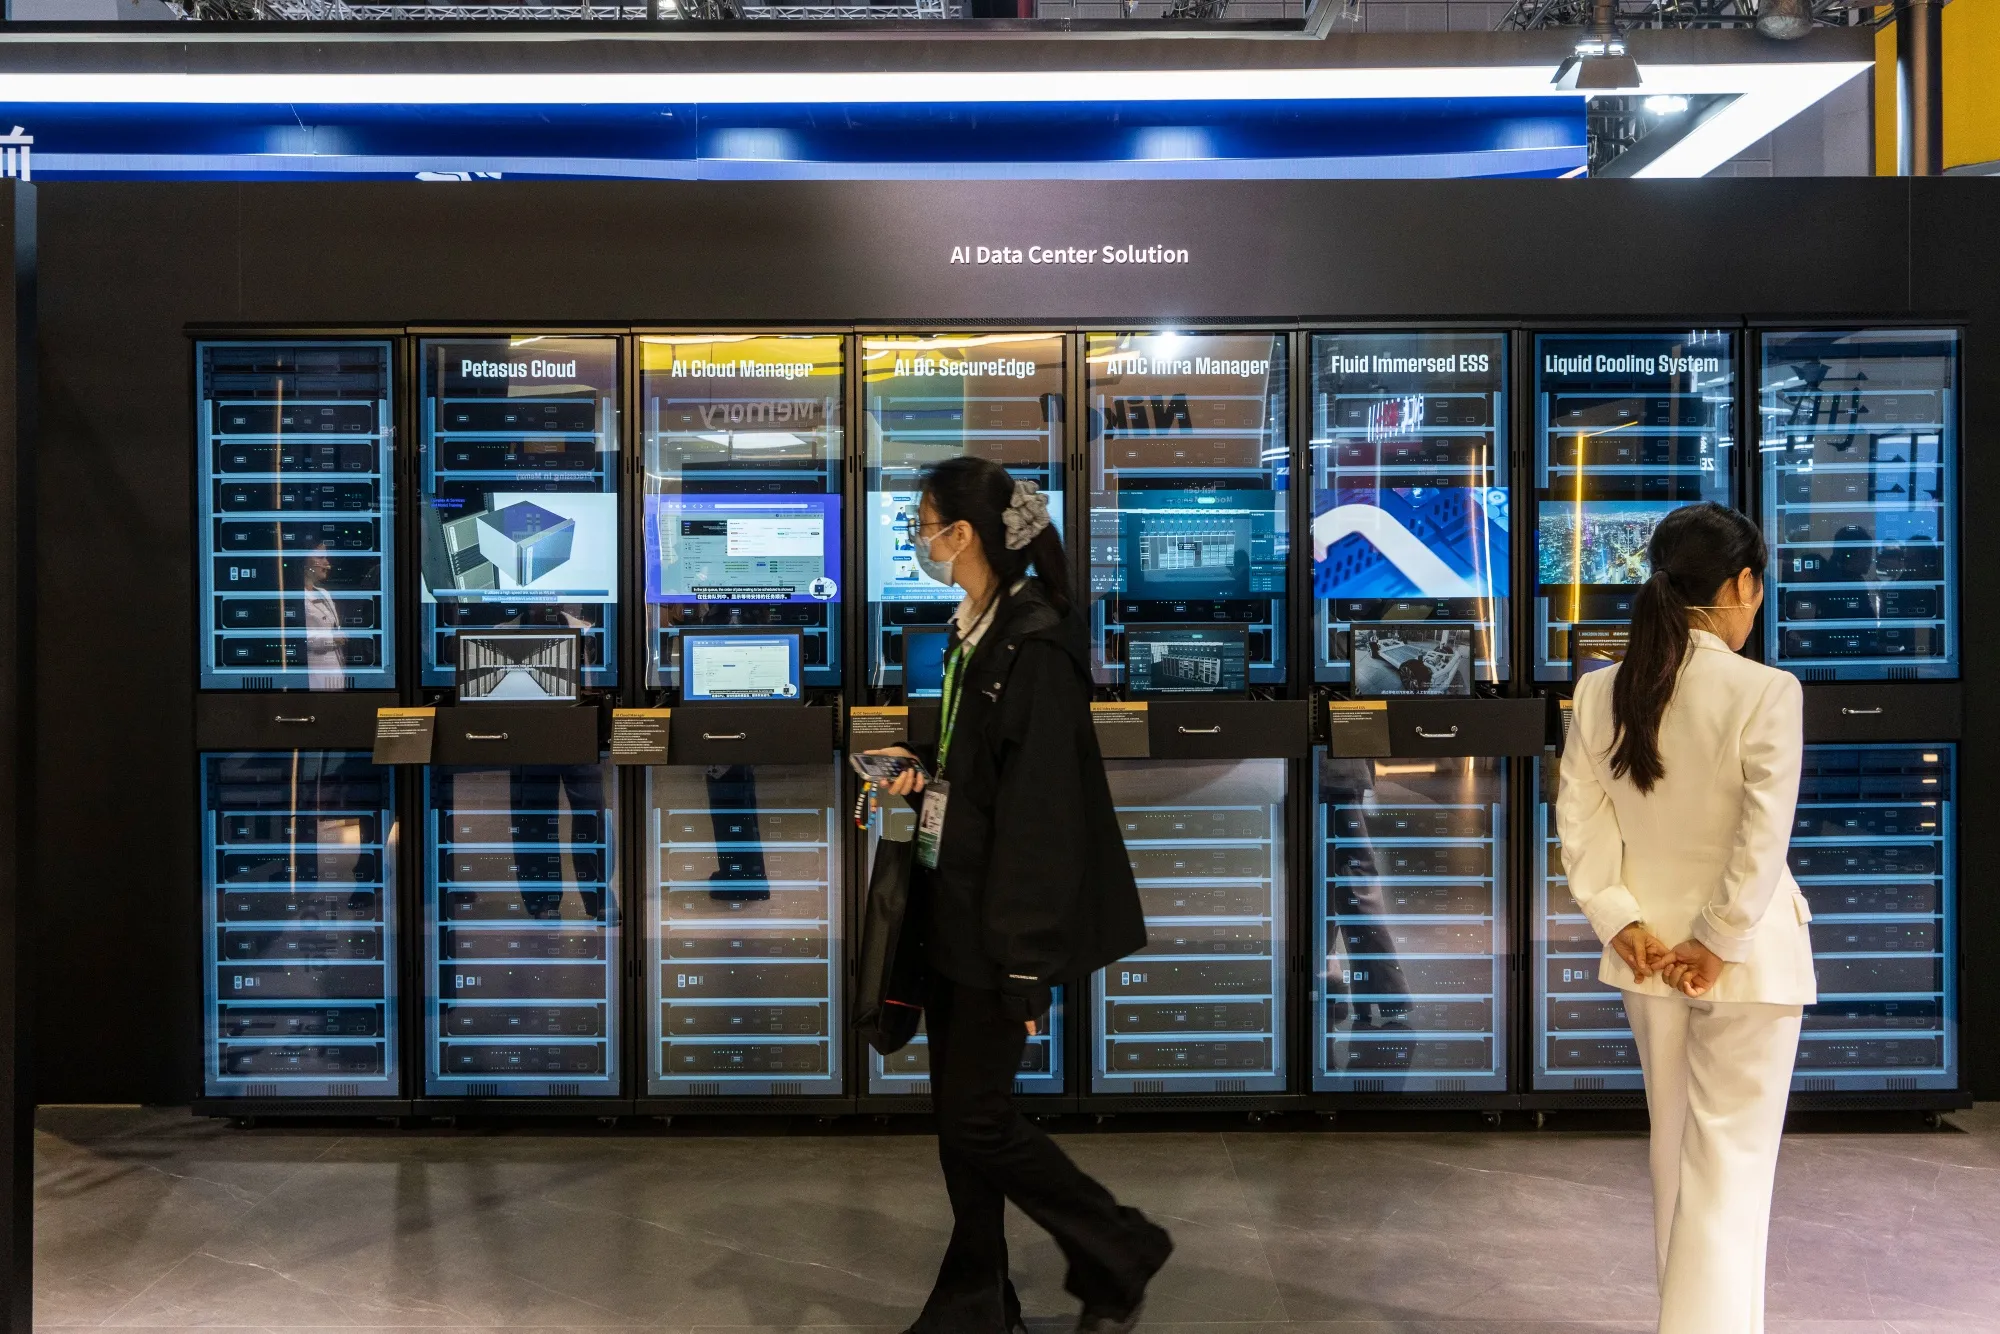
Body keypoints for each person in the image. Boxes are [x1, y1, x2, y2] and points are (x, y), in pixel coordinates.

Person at [869, 455, 1173, 1334]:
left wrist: (1025, 966)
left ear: (962, 535)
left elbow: (1041, 822)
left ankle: (1120, 1244)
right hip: (953, 907)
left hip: (996, 924)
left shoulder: (1031, 647)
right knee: (957, 1119)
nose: (917, 537)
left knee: (980, 1117)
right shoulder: (977, 633)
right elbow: (985, 781)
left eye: (923, 522)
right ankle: (975, 1296)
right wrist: (923, 783)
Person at [1556, 501, 1817, 1334]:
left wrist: (1621, 920)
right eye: (1758, 589)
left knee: (1676, 1159)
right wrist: (1719, 939)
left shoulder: (1601, 690)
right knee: (1730, 1173)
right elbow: (1760, 837)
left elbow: (1581, 826)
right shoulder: (1767, 690)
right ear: (1740, 584)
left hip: (1646, 959)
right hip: (1745, 965)